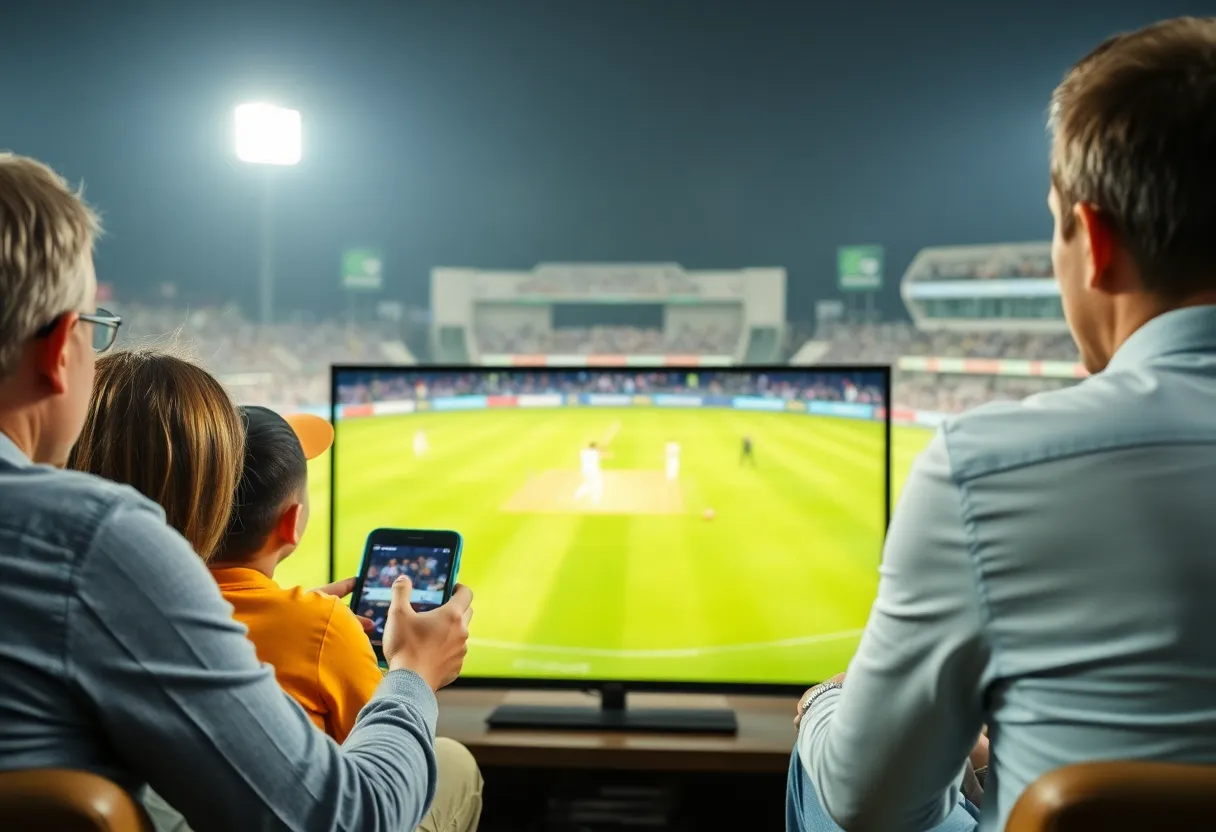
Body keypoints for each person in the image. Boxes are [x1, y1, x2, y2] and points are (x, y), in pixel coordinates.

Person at [788, 18, 1216, 832]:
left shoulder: (987, 467)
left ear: (1093, 241)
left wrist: (824, 706)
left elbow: (870, 803)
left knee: (833, 768)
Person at [0, 151, 473, 832]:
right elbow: (343, 820)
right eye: (91, 331)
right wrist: (412, 674)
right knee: (449, 766)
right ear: (56, 354)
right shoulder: (92, 544)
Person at [206, 405, 483, 830]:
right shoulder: (323, 626)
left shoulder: (152, 612)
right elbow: (381, 767)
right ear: (292, 525)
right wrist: (415, 674)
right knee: (453, 762)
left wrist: (296, 618)